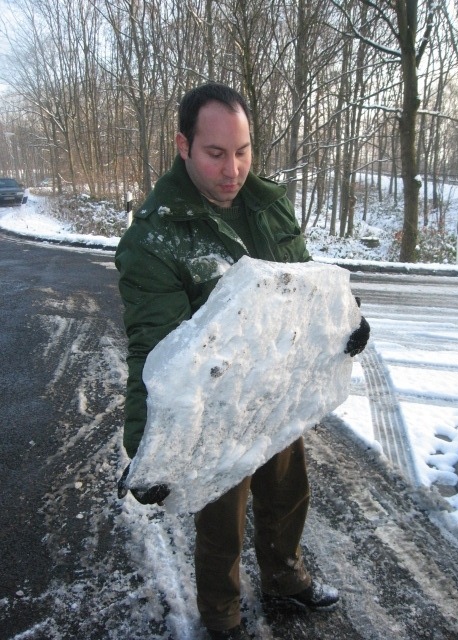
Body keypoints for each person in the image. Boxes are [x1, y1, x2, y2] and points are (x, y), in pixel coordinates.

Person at [115, 82, 370, 640]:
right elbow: (153, 356)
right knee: (221, 515)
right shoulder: (155, 240)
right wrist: (147, 451)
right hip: (216, 409)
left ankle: (284, 577)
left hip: (277, 390)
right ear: (183, 145)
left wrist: (345, 319)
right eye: (215, 153)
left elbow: (304, 284)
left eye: (243, 150)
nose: (233, 169)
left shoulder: (268, 203)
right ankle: (223, 616)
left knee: (287, 491)